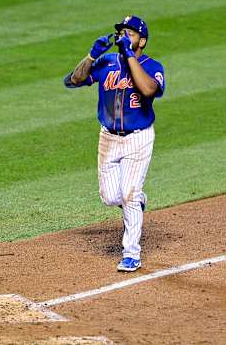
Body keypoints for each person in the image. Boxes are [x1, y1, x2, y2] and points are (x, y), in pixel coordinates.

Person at [63, 15, 166, 272]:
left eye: (129, 33)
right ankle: (137, 202)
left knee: (129, 194)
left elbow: (148, 90)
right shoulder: (107, 62)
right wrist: (90, 55)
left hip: (138, 138)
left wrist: (129, 55)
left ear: (142, 40)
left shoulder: (152, 66)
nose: (122, 36)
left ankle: (131, 254)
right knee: (111, 197)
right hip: (108, 138)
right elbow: (73, 80)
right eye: (121, 32)